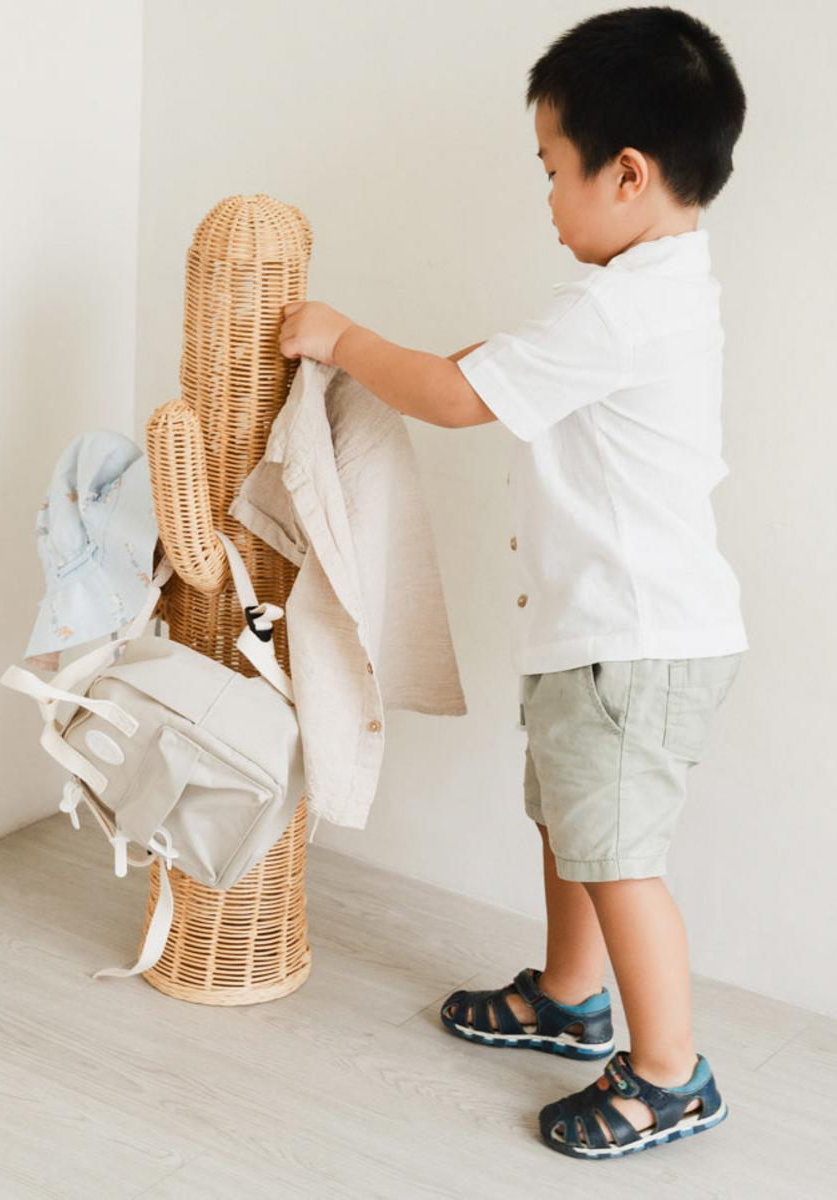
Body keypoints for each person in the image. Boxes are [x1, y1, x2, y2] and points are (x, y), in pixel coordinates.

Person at [277, 5, 748, 1160]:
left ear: (624, 174)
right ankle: (568, 998)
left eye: (550, 169)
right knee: (570, 825)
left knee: (617, 856)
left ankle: (668, 1075)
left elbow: (454, 396)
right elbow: (498, 370)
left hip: (631, 641)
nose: (543, 197)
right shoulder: (646, 295)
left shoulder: (619, 311)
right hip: (597, 635)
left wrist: (340, 339)